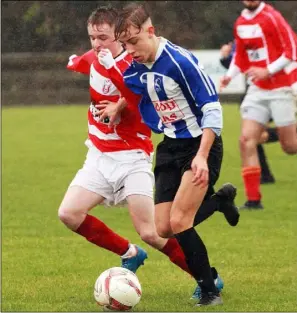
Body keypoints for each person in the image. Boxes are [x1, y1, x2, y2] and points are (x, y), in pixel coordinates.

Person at [58, 5, 239, 303]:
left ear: (148, 32)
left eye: (107, 38)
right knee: (160, 226)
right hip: (157, 147)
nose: (98, 44)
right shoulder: (130, 64)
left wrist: (202, 155)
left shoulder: (174, 63)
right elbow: (127, 85)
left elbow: (210, 108)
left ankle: (209, 284)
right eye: (93, 38)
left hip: (169, 151)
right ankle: (214, 205)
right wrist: (87, 67)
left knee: (167, 228)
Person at [220, 0, 297, 209]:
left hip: (281, 88)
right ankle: (253, 200)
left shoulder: (272, 17)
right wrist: (229, 76)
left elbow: (291, 50)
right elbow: (240, 56)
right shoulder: (241, 21)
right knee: (246, 140)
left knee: (290, 146)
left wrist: (268, 71)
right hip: (257, 89)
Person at [219, 40, 276, 184]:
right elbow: (240, 64)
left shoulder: (266, 37)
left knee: (253, 136)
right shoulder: (243, 39)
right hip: (256, 94)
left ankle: (265, 176)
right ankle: (265, 175)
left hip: (272, 93)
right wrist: (226, 58)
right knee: (252, 137)